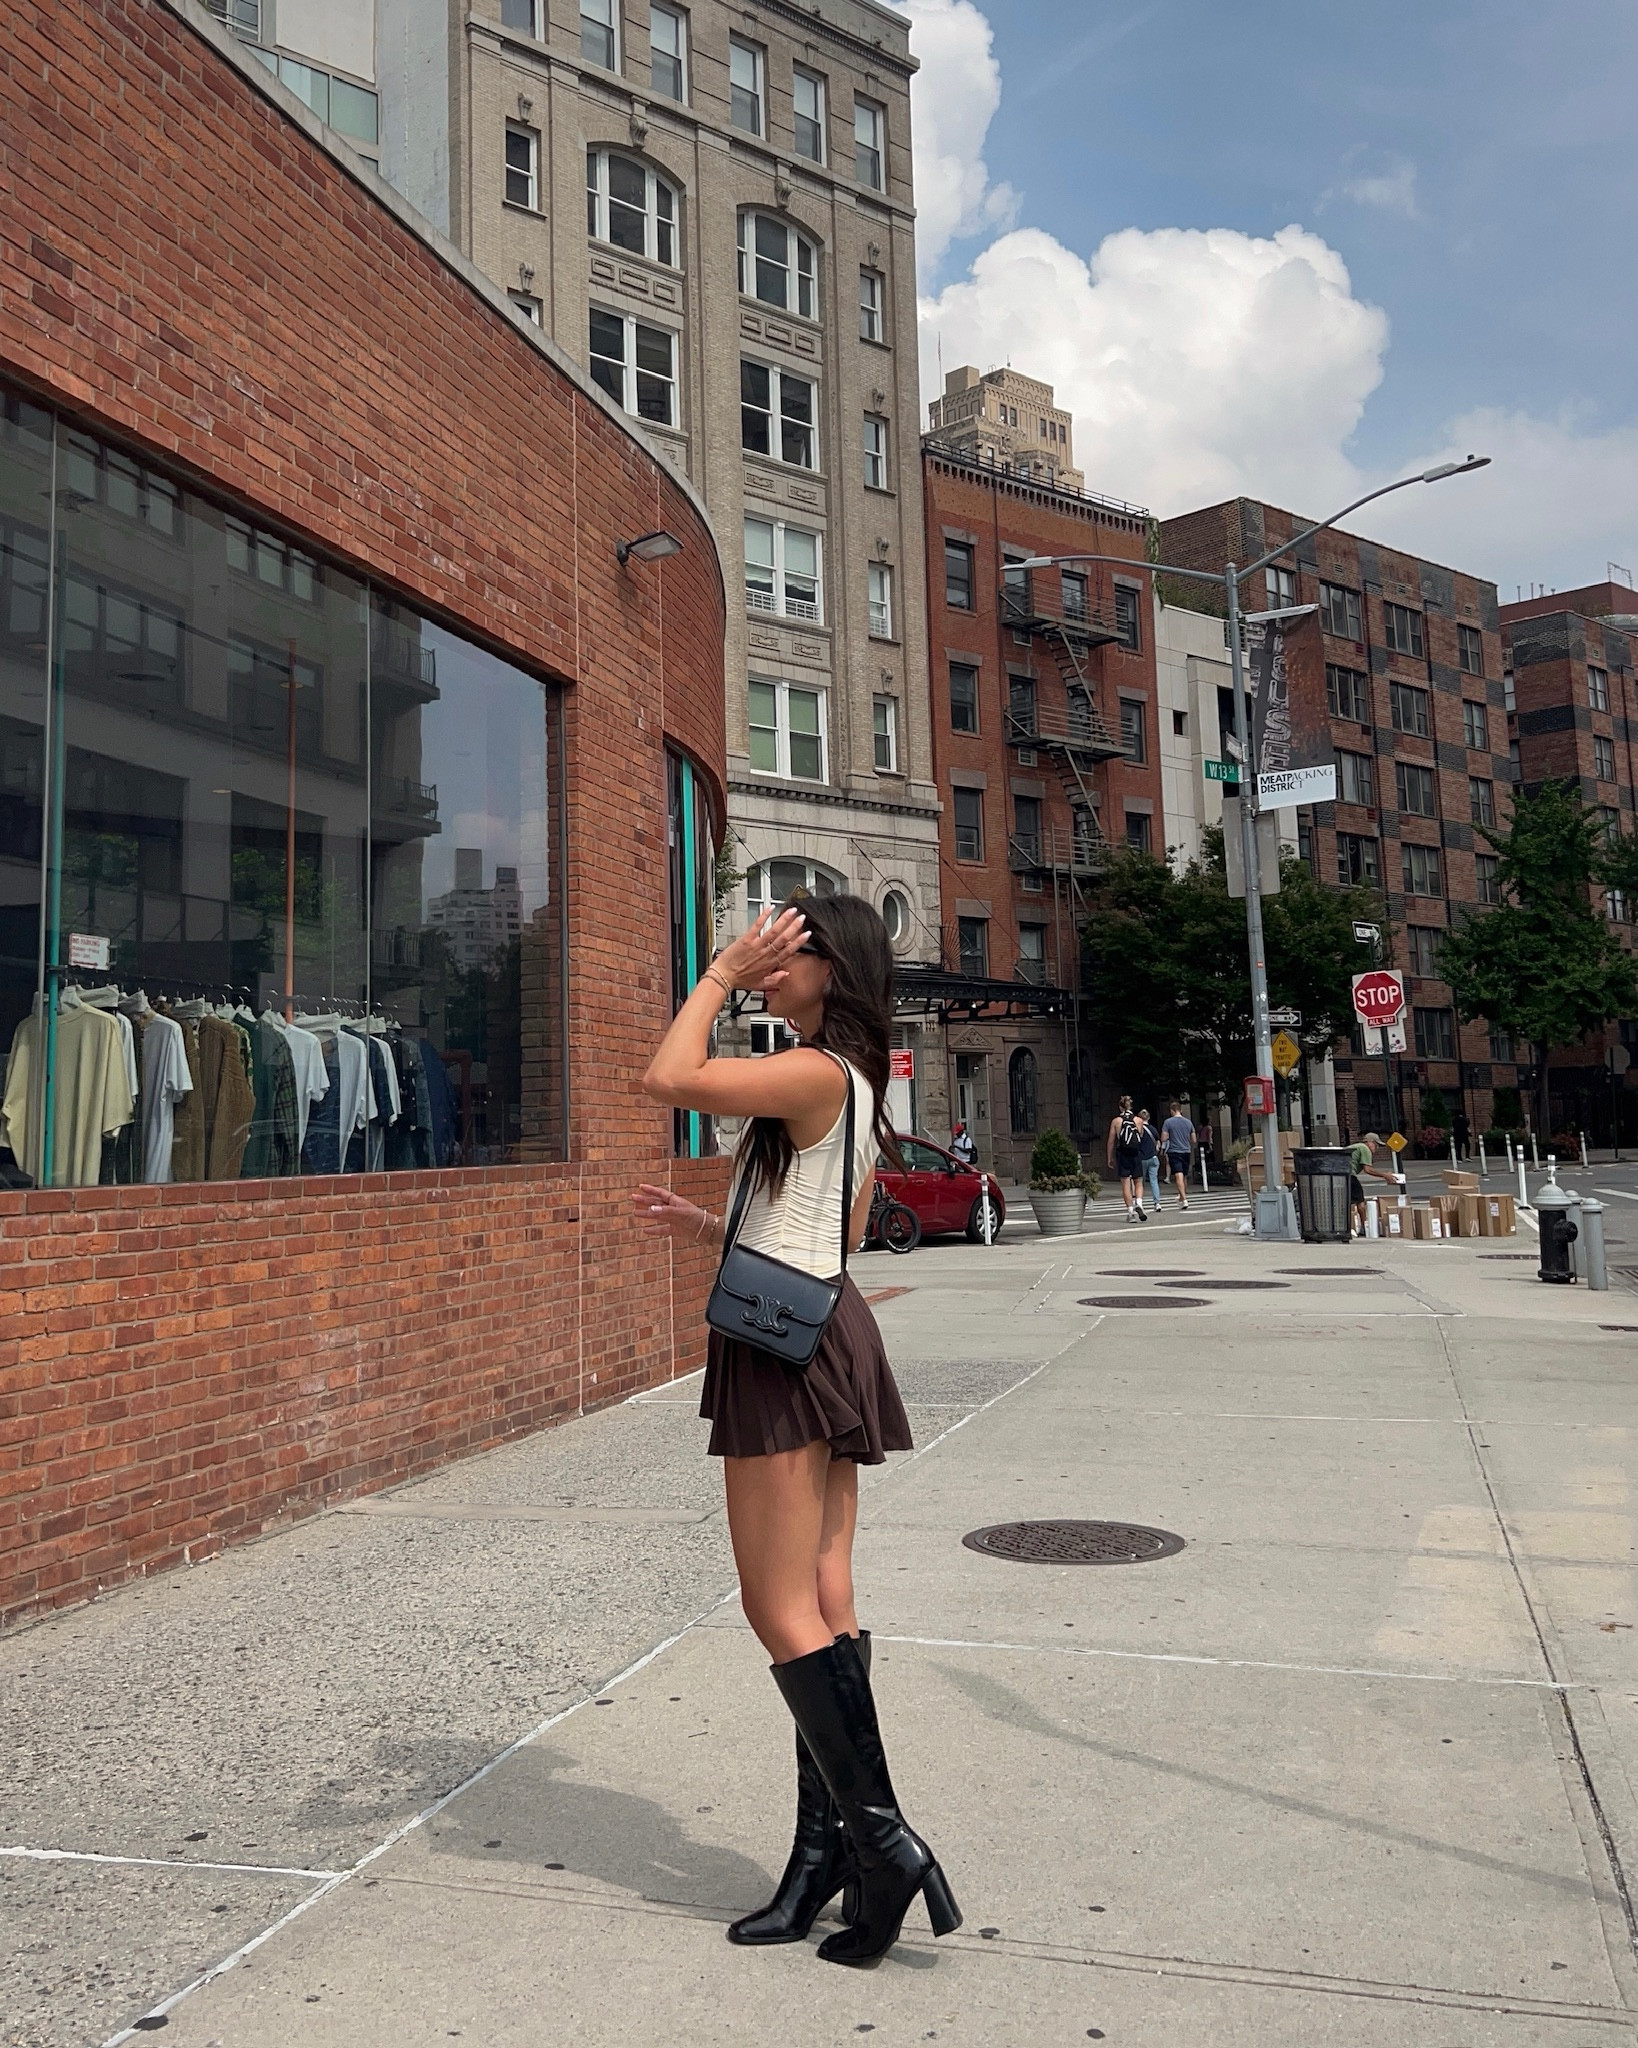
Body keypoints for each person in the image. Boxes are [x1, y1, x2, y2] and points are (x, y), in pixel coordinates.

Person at [633, 894, 960, 1969]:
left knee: (776, 1608)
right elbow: (836, 1225)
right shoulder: (853, 1082)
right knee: (826, 1600)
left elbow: (668, 1076)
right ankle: (827, 1854)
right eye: (765, 953)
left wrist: (720, 973)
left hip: (784, 1349)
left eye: (790, 952)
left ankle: (885, 1845)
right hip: (828, 1327)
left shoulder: (814, 1072)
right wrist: (708, 1223)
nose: (771, 968)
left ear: (836, 969)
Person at [1348, 1130, 1399, 1236]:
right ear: (1369, 1142)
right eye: (1376, 1145)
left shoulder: (1356, 1147)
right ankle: (1365, 1227)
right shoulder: (1364, 1148)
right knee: (1360, 1201)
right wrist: (1385, 1175)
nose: (1376, 1148)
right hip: (1349, 1175)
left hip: (1339, 1175)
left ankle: (1349, 1226)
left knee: (1347, 1201)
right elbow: (1368, 1170)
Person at [1106, 1093, 1145, 1220]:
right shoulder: (1139, 1121)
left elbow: (1111, 1141)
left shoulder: (1116, 1121)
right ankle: (1139, 1203)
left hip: (1122, 1153)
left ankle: (1130, 1212)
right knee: (1138, 1181)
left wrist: (1110, 1157)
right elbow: (1140, 1138)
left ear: (1120, 1107)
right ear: (1131, 1106)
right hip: (1135, 1153)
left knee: (1125, 1182)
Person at [1161, 1099, 1195, 1209]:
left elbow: (1164, 1138)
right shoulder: (1188, 1122)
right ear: (1180, 1110)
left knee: (1178, 1174)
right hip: (1186, 1150)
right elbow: (1194, 1139)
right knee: (1184, 1175)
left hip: (1174, 1151)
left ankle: (1184, 1199)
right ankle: (1182, 1196)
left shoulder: (1168, 1122)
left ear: (1172, 1110)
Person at [1136, 1107, 1164, 1213]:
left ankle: (1139, 1203)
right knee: (1154, 1181)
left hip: (1142, 1158)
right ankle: (1157, 1203)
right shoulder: (1153, 1129)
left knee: (1140, 1182)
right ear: (1148, 1118)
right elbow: (1158, 1142)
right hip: (1153, 1157)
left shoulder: (1138, 1130)